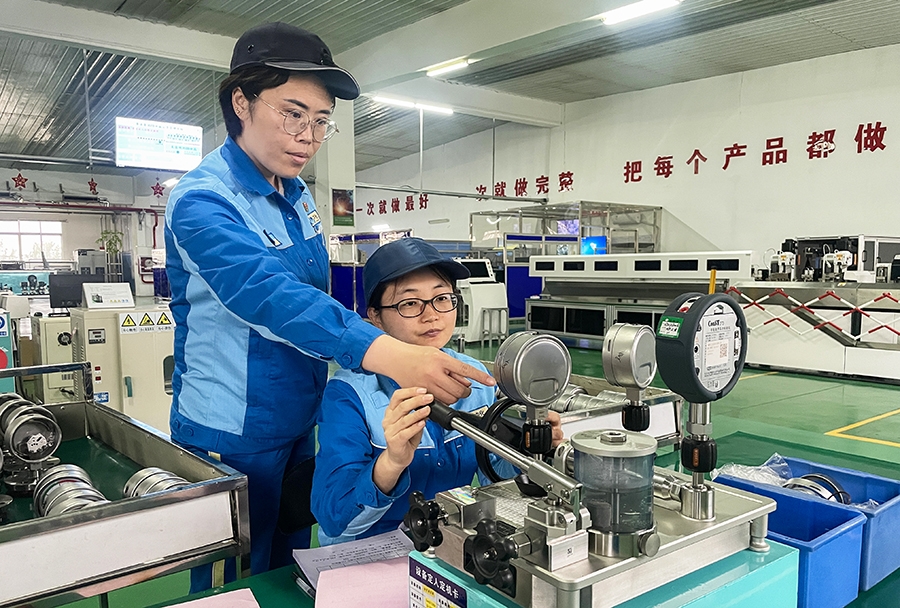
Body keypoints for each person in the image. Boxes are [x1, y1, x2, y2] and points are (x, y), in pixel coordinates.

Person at [164, 23, 494, 589]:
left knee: (291, 562)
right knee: (235, 581)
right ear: (241, 102)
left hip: (301, 412)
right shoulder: (202, 200)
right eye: (293, 115)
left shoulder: (296, 197)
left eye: (321, 121)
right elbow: (270, 297)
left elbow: (316, 295)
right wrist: (388, 352)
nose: (309, 136)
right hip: (230, 428)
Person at [312, 238, 563, 545]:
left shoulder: (474, 378)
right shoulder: (350, 393)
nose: (431, 315)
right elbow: (334, 521)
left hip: (448, 546)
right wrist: (391, 462)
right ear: (375, 316)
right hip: (370, 553)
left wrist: (529, 447)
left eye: (442, 298)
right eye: (410, 303)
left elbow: (496, 480)